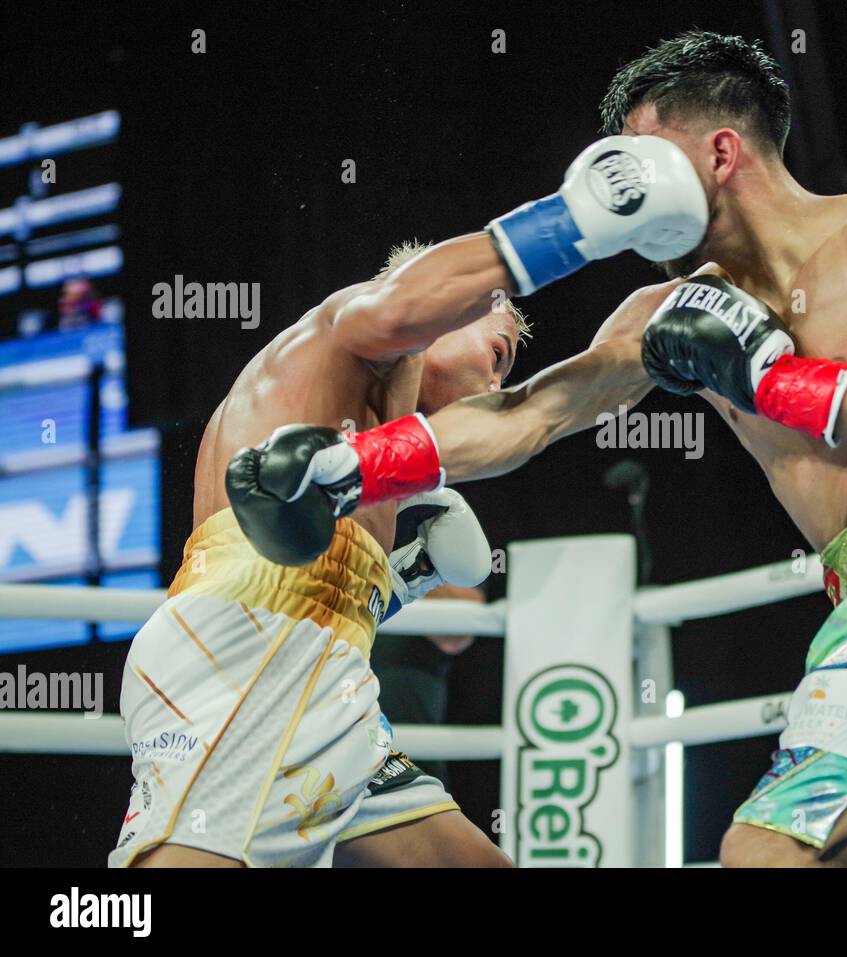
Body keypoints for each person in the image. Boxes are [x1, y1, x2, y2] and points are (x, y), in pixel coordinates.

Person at [236, 31, 847, 869]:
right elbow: (529, 415)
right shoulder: (668, 312)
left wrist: (769, 379)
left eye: (640, 155)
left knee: (763, 855)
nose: (623, 190)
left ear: (720, 153)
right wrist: (358, 466)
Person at [110, 132, 709, 867]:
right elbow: (400, 309)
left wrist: (648, 340)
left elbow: (532, 418)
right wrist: (579, 219)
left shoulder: (367, 449)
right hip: (250, 651)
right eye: (497, 352)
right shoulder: (347, 330)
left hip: (327, 672)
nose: (496, 384)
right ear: (451, 310)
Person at [369, 584, 485, 786]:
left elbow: (462, 624)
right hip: (331, 722)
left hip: (407, 734)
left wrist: (392, 576)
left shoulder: (431, 553)